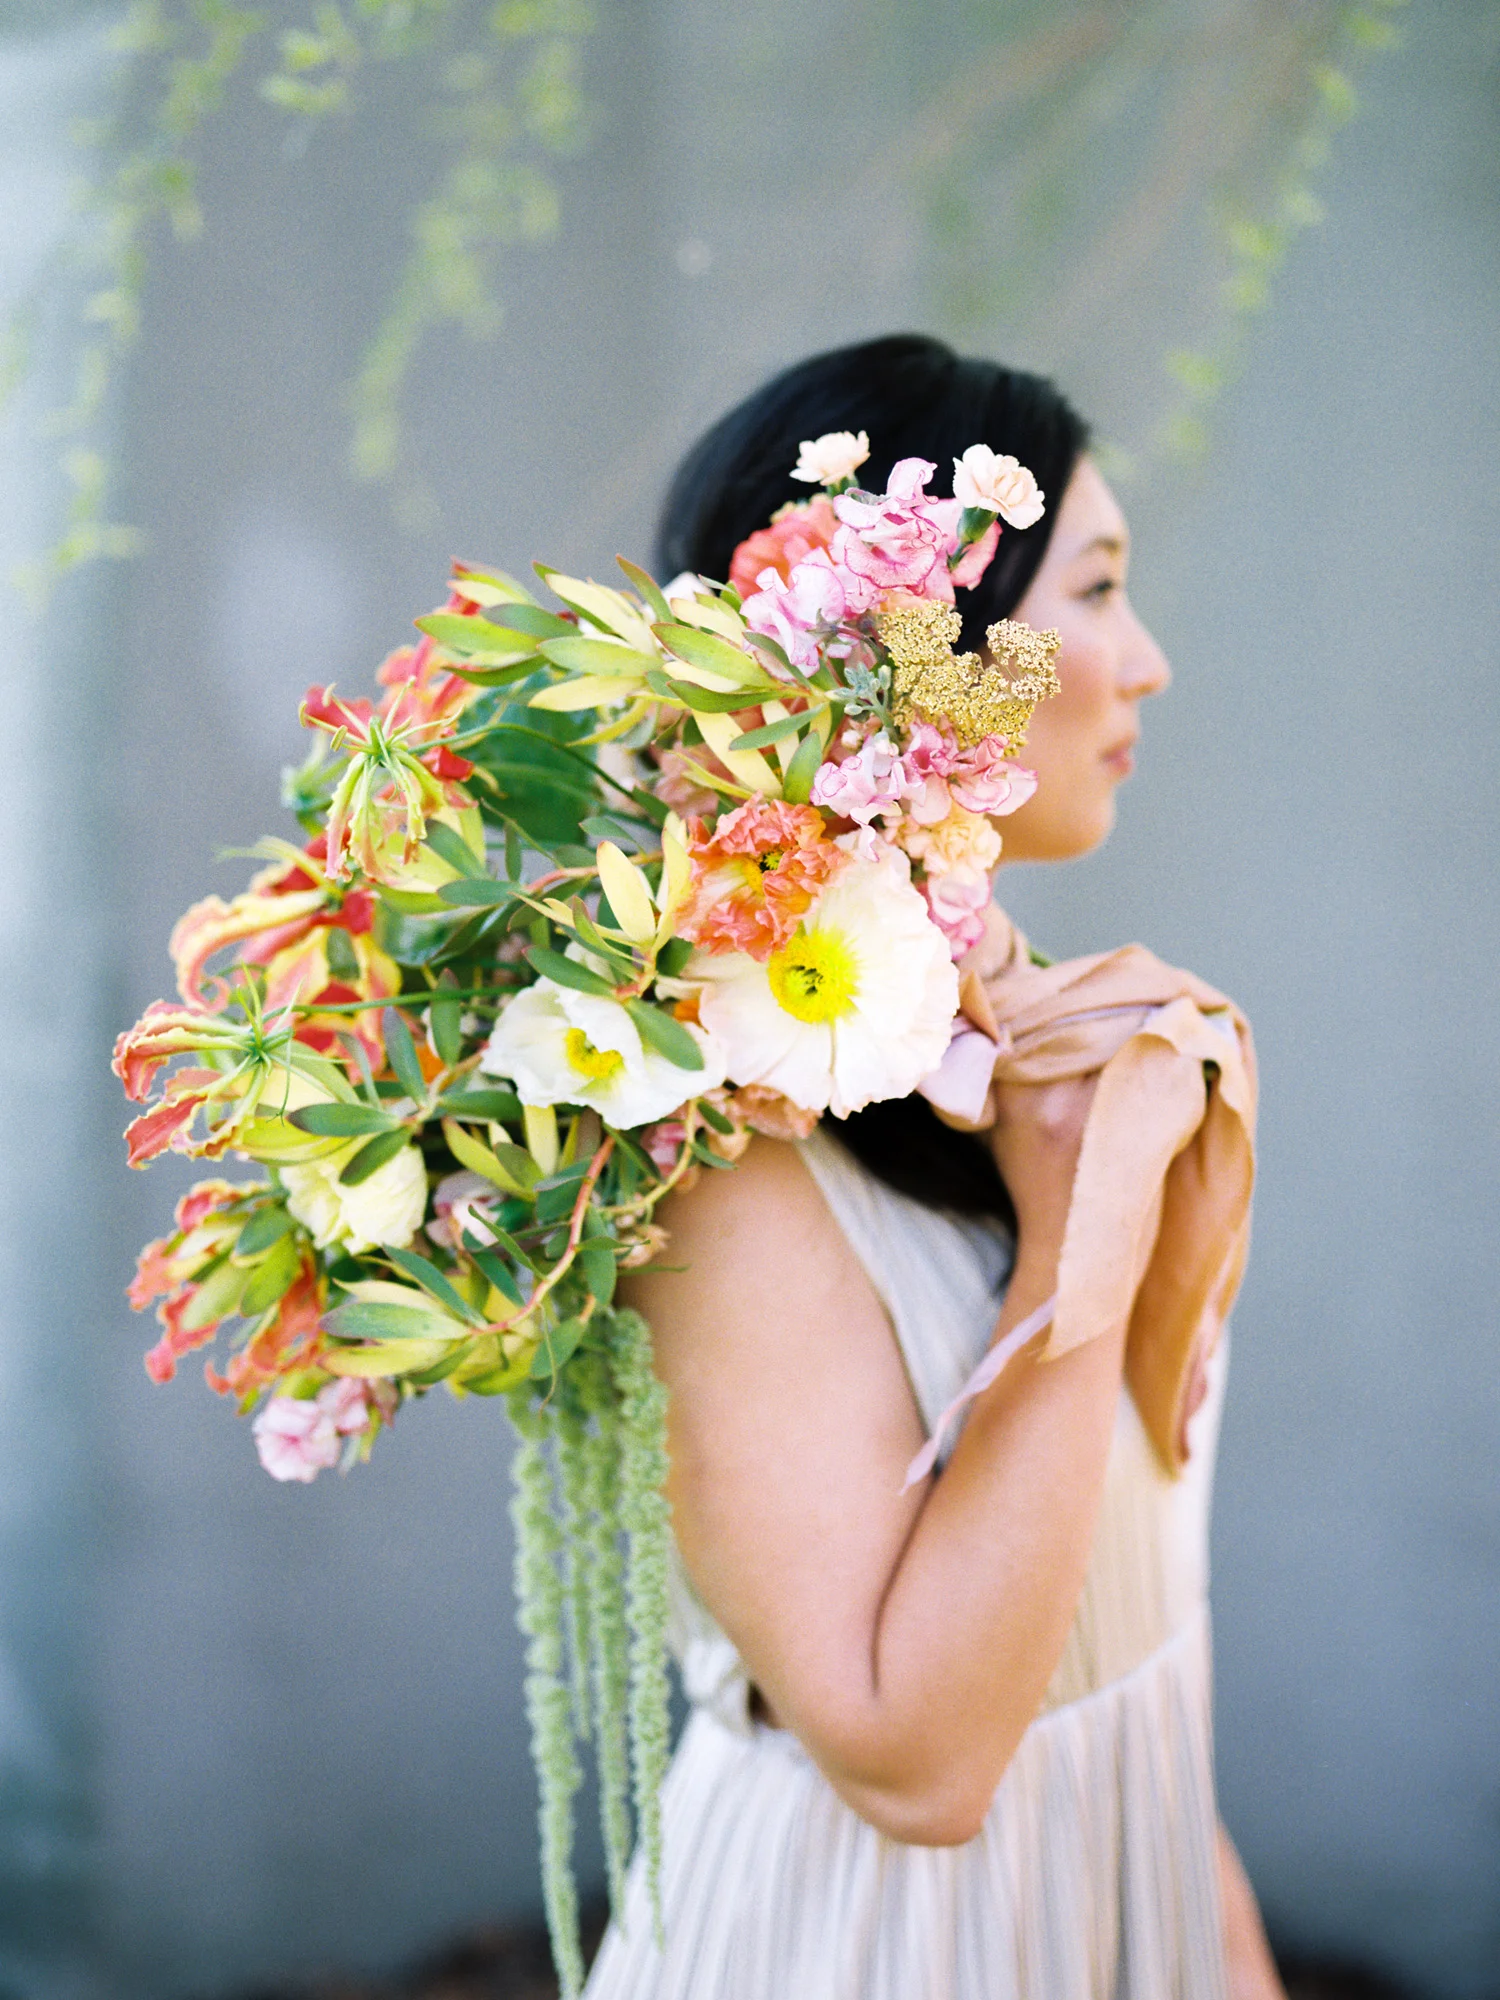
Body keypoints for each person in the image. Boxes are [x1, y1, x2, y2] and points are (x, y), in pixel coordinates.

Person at [582, 334, 1284, 2000]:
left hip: (1124, 1905)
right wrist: (1078, 1251)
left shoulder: (1032, 1049)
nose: (1148, 663)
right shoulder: (734, 1165)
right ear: (925, 657)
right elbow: (916, 1764)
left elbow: (1124, 1641)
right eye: (1095, 590)